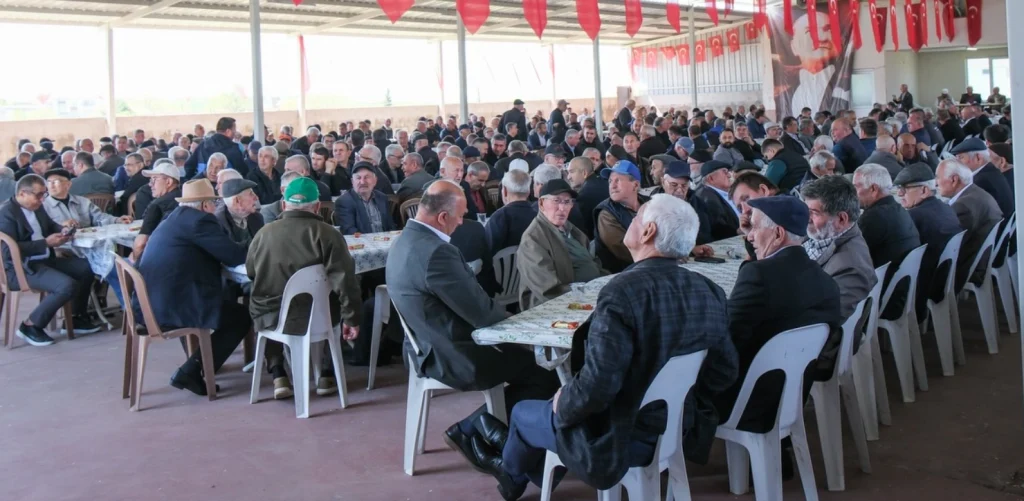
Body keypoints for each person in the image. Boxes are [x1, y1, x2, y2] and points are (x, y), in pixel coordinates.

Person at [469, 194, 738, 498]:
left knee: (523, 413)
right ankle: (518, 472)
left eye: (636, 218)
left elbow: (599, 385)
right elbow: (724, 371)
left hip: (621, 435)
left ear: (648, 232)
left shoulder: (622, 293)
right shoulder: (708, 290)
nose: (630, 221)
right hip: (678, 429)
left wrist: (563, 402)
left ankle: (511, 477)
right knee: (547, 413)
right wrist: (678, 398)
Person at [386, 180, 559, 475]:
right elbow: (482, 313)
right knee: (545, 368)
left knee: (534, 363)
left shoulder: (404, 240)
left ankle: (485, 432)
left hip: (426, 346)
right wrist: (527, 331)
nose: (462, 222)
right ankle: (474, 429)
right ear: (442, 217)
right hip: (455, 353)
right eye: (461, 215)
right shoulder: (437, 253)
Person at [715, 196, 841, 461]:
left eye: (755, 228)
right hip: (791, 397)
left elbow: (726, 337)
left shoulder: (758, 276)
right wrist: (756, 241)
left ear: (778, 232)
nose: (749, 235)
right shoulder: (824, 280)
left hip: (747, 400)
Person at [247, 177, 361, 399]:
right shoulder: (329, 234)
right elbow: (345, 282)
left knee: (263, 298)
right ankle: (326, 373)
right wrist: (352, 318)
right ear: (317, 206)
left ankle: (278, 373)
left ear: (283, 205)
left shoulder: (263, 234)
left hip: (272, 317)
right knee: (334, 301)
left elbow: (251, 272)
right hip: (319, 318)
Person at [134, 179, 250, 396]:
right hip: (173, 304)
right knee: (241, 316)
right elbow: (234, 256)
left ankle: (200, 364)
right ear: (205, 205)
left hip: (151, 302)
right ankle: (193, 370)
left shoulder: (176, 218)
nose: (216, 207)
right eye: (214, 203)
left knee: (229, 304)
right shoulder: (200, 222)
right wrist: (257, 242)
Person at [0, 175, 102, 345]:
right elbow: (8, 251)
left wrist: (63, 230)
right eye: (38, 195)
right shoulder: (6, 213)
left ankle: (76, 317)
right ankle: (31, 325)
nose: (42, 199)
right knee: (66, 285)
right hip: (20, 268)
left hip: (45, 260)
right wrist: (45, 243)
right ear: (23, 194)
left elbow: (49, 225)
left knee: (88, 267)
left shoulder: (38, 207)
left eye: (44, 195)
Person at [516, 179, 602, 310]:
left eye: (567, 202)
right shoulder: (532, 240)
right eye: (556, 201)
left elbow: (593, 263)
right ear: (541, 203)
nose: (562, 208)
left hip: (587, 296)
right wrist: (588, 296)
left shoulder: (572, 231)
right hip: (551, 307)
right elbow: (549, 291)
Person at [801, 176, 877, 320]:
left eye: (814, 213)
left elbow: (824, 319)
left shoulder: (850, 267)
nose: (807, 217)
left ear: (842, 219)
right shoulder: (822, 234)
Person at [893, 163, 964, 320]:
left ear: (924, 190)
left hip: (924, 288)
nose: (899, 194)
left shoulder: (914, 216)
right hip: (945, 280)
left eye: (905, 189)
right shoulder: (946, 208)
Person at [853, 164, 921, 320]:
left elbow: (851, 254)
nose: (853, 193)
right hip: (903, 291)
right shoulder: (898, 209)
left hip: (883, 297)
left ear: (873, 189)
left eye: (856, 187)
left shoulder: (874, 218)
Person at [935, 159, 1003, 290]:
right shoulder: (975, 192)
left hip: (970, 265)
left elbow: (948, 244)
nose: (936, 183)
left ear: (954, 180)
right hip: (984, 256)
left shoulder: (963, 206)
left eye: (938, 177)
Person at [594, 161, 648, 273]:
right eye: (610, 181)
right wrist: (661, 256)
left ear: (636, 185)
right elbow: (625, 250)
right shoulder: (606, 213)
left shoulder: (650, 204)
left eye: (617, 180)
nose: (612, 186)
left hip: (648, 265)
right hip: (622, 273)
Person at [651, 160, 713, 245]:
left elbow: (705, 235)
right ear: (663, 182)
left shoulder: (698, 203)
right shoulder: (652, 204)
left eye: (684, 186)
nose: (679, 190)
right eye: (674, 185)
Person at [42, 169, 129, 228]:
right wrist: (61, 225)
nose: (51, 185)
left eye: (56, 182)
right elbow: (43, 230)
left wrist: (117, 220)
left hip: (87, 243)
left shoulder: (82, 201)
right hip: (63, 246)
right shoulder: (43, 206)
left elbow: (99, 217)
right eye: (48, 182)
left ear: (68, 184)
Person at [132, 161, 183, 259]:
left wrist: (135, 265)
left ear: (168, 182)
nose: (150, 184)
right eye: (150, 180)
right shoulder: (186, 199)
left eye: (155, 179)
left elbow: (140, 244)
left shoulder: (156, 205)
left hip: (159, 259)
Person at [951, 138, 1013, 218]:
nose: (957, 162)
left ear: (978, 158)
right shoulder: (991, 172)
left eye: (961, 157)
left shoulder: (980, 182)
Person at [335, 162, 396, 235]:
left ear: (375, 180)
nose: (362, 182)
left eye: (367, 177)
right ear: (352, 181)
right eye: (358, 178)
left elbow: (390, 225)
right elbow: (349, 230)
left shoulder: (382, 197)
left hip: (385, 241)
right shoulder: (344, 201)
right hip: (361, 244)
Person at [485, 169, 537, 255]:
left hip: (501, 268)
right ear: (528, 192)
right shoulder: (538, 215)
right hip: (532, 267)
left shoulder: (499, 217)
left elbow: (489, 250)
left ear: (504, 191)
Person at [212, 178, 264, 250]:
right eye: (251, 194)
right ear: (237, 201)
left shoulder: (257, 217)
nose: (256, 197)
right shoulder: (218, 223)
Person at [696, 160, 740, 241]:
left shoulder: (724, 192)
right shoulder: (707, 198)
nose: (729, 175)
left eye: (728, 172)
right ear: (711, 178)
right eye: (724, 172)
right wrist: (738, 231)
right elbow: (719, 228)